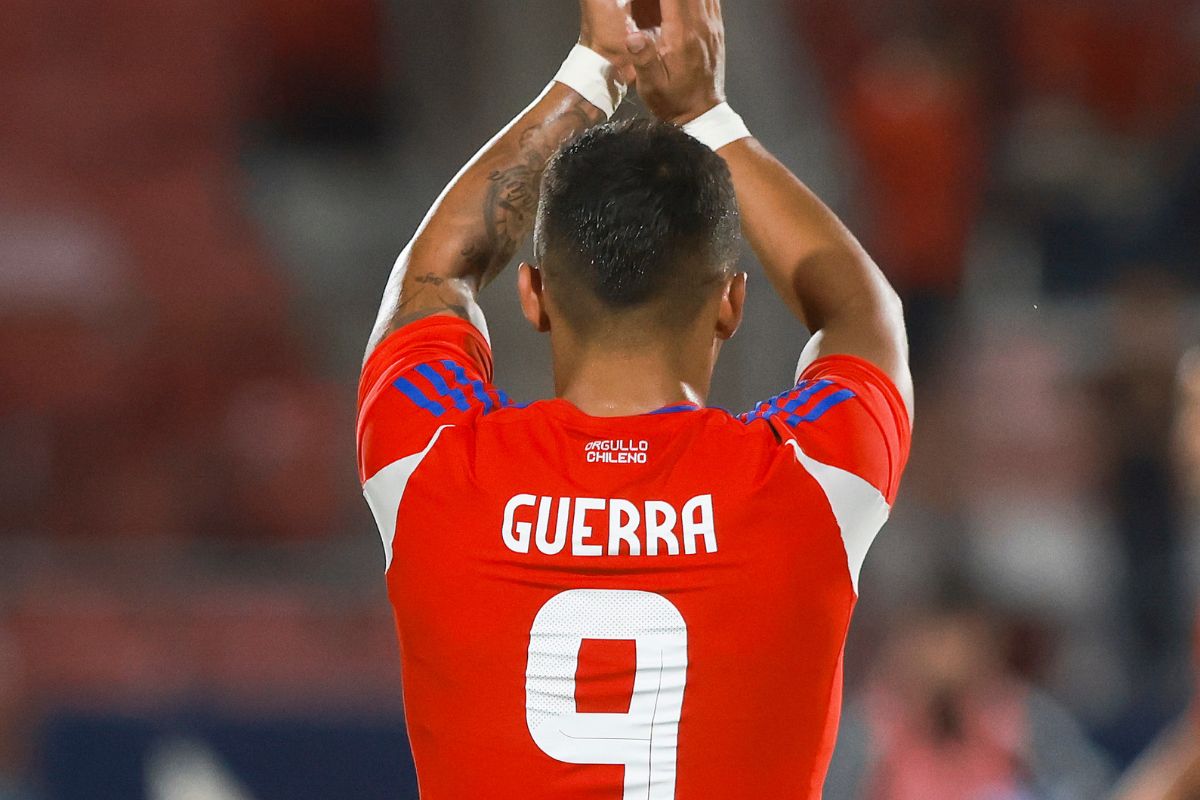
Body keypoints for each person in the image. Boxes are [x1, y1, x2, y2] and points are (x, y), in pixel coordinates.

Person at [355, 0, 912, 796]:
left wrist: (590, 72)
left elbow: (436, 273)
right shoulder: (807, 483)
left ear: (533, 296)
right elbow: (861, 312)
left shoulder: (434, 467)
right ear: (731, 304)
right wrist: (707, 115)